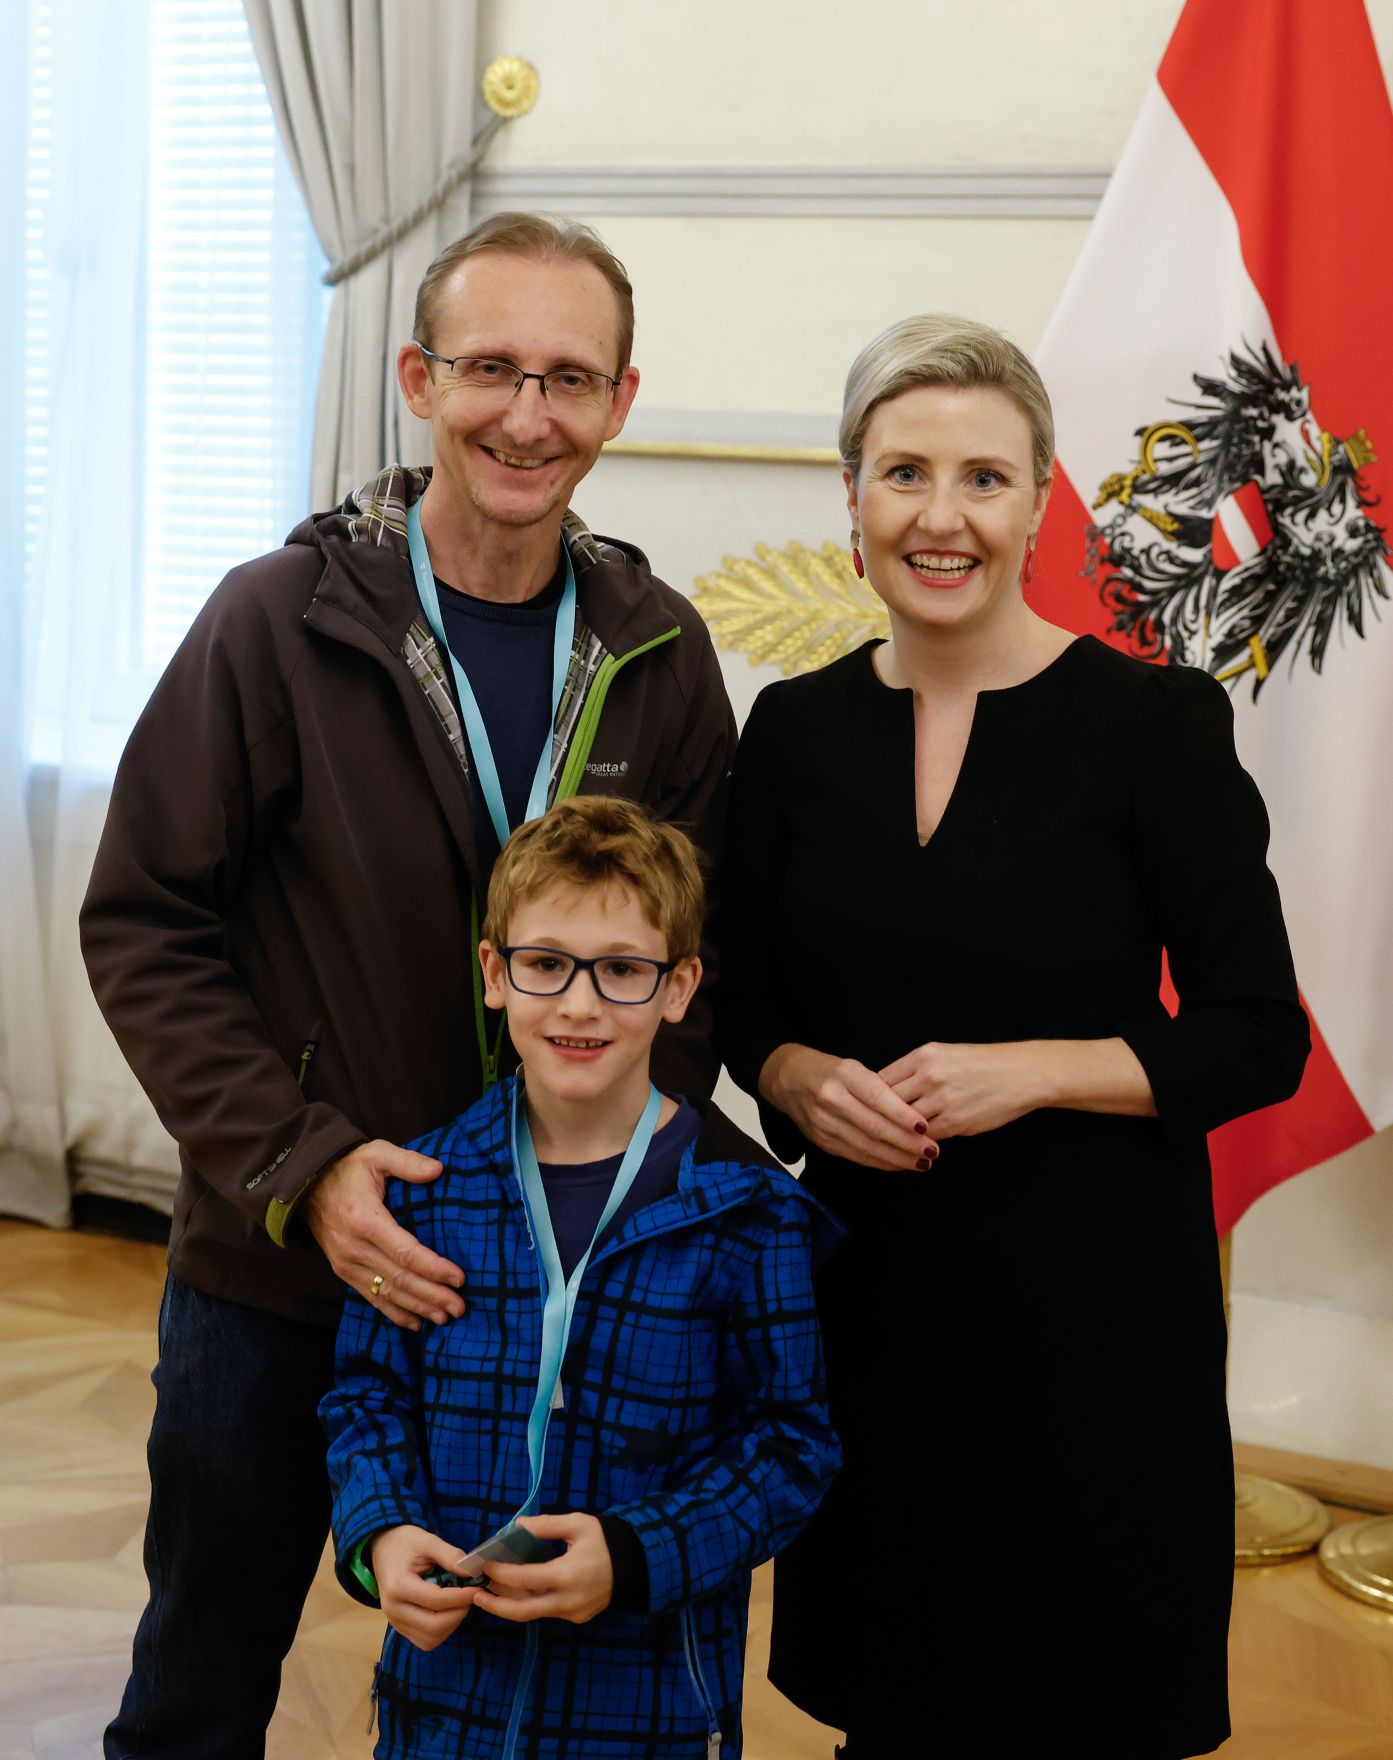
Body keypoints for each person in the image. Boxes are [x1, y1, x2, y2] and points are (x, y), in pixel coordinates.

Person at [79, 213, 737, 1759]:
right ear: (416, 377)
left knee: (508, 1697)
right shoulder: (274, 621)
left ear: (622, 402)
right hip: (284, 1266)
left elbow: (699, 967)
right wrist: (305, 1171)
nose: (527, 414)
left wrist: (611, 1206)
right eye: (491, 368)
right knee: (201, 1676)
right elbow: (142, 920)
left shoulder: (661, 651)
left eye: (568, 378)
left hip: (547, 1288)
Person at [717, 314, 1311, 1760]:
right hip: (872, 1296)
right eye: (902, 471)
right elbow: (736, 996)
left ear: (1039, 500)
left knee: (1075, 1704)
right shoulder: (791, 732)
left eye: (982, 477)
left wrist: (1035, 1069)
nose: (940, 514)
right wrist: (792, 1076)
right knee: (893, 1705)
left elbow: (1255, 1039)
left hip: (1094, 1316)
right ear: (849, 499)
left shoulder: (1156, 726)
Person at [320, 795, 839, 1759]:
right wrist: (380, 1531)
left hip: (648, 1710)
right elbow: (364, 1397)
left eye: (623, 971)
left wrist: (638, 1555)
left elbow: (791, 1448)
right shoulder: (422, 1191)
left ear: (680, 987)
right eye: (546, 963)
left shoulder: (750, 1214)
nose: (579, 1003)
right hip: (442, 1707)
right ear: (493, 973)